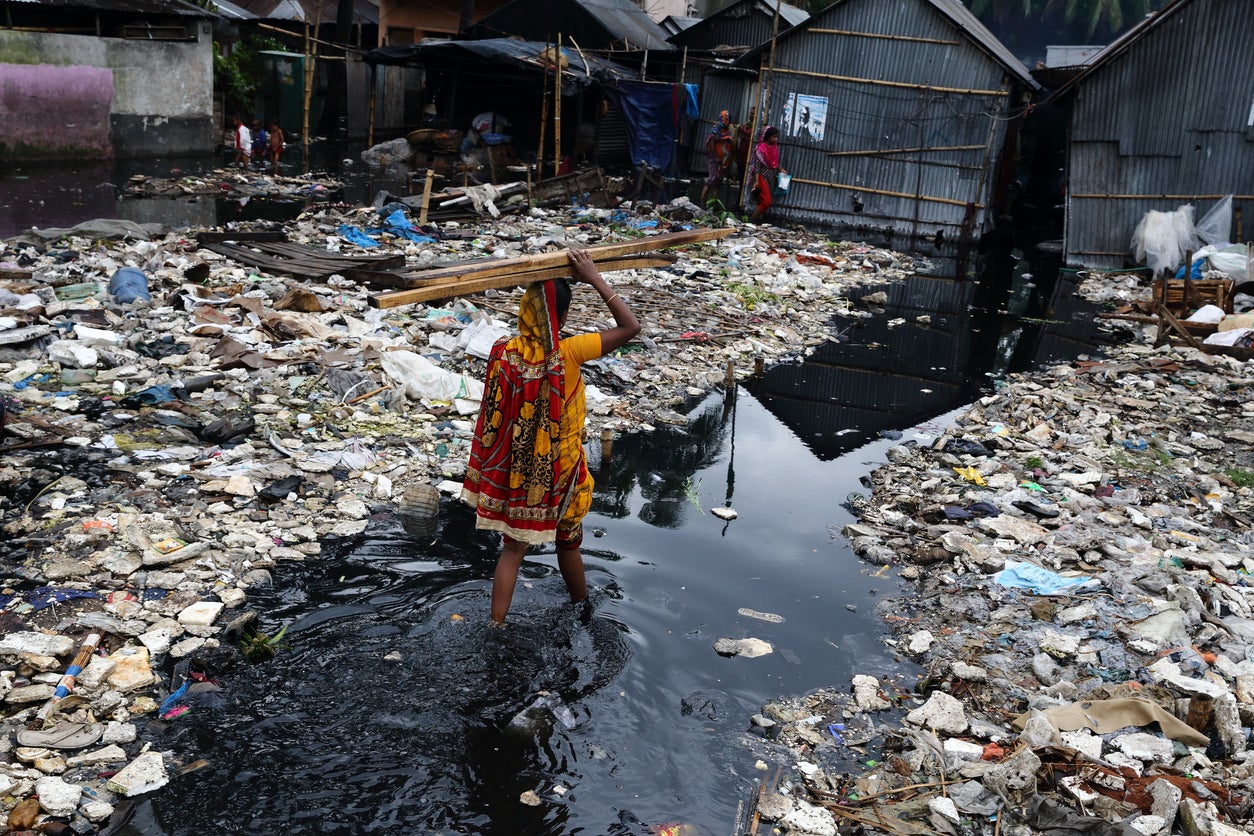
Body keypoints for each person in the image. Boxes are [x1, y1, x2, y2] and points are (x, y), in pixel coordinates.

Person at [462, 250, 641, 625]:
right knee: (569, 541)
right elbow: (630, 327)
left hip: (516, 469)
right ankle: (582, 610)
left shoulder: (503, 351)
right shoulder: (570, 352)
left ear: (528, 308)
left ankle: (496, 624)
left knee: (512, 550)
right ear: (562, 314)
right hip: (559, 470)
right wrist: (595, 278)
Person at [749, 125, 785, 222]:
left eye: (776, 137)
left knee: (762, 200)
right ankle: (751, 220)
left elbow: (775, 163)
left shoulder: (774, 148)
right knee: (767, 202)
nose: (776, 139)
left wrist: (781, 169)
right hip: (761, 176)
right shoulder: (760, 149)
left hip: (771, 177)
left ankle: (758, 223)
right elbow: (757, 166)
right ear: (768, 137)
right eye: (774, 137)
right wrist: (756, 181)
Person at [700, 110, 735, 205]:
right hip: (716, 158)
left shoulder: (727, 131)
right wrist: (716, 156)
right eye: (726, 119)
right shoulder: (716, 129)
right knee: (711, 178)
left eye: (728, 119)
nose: (727, 121)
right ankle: (702, 199)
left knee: (719, 180)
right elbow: (712, 142)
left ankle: (714, 200)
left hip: (724, 160)